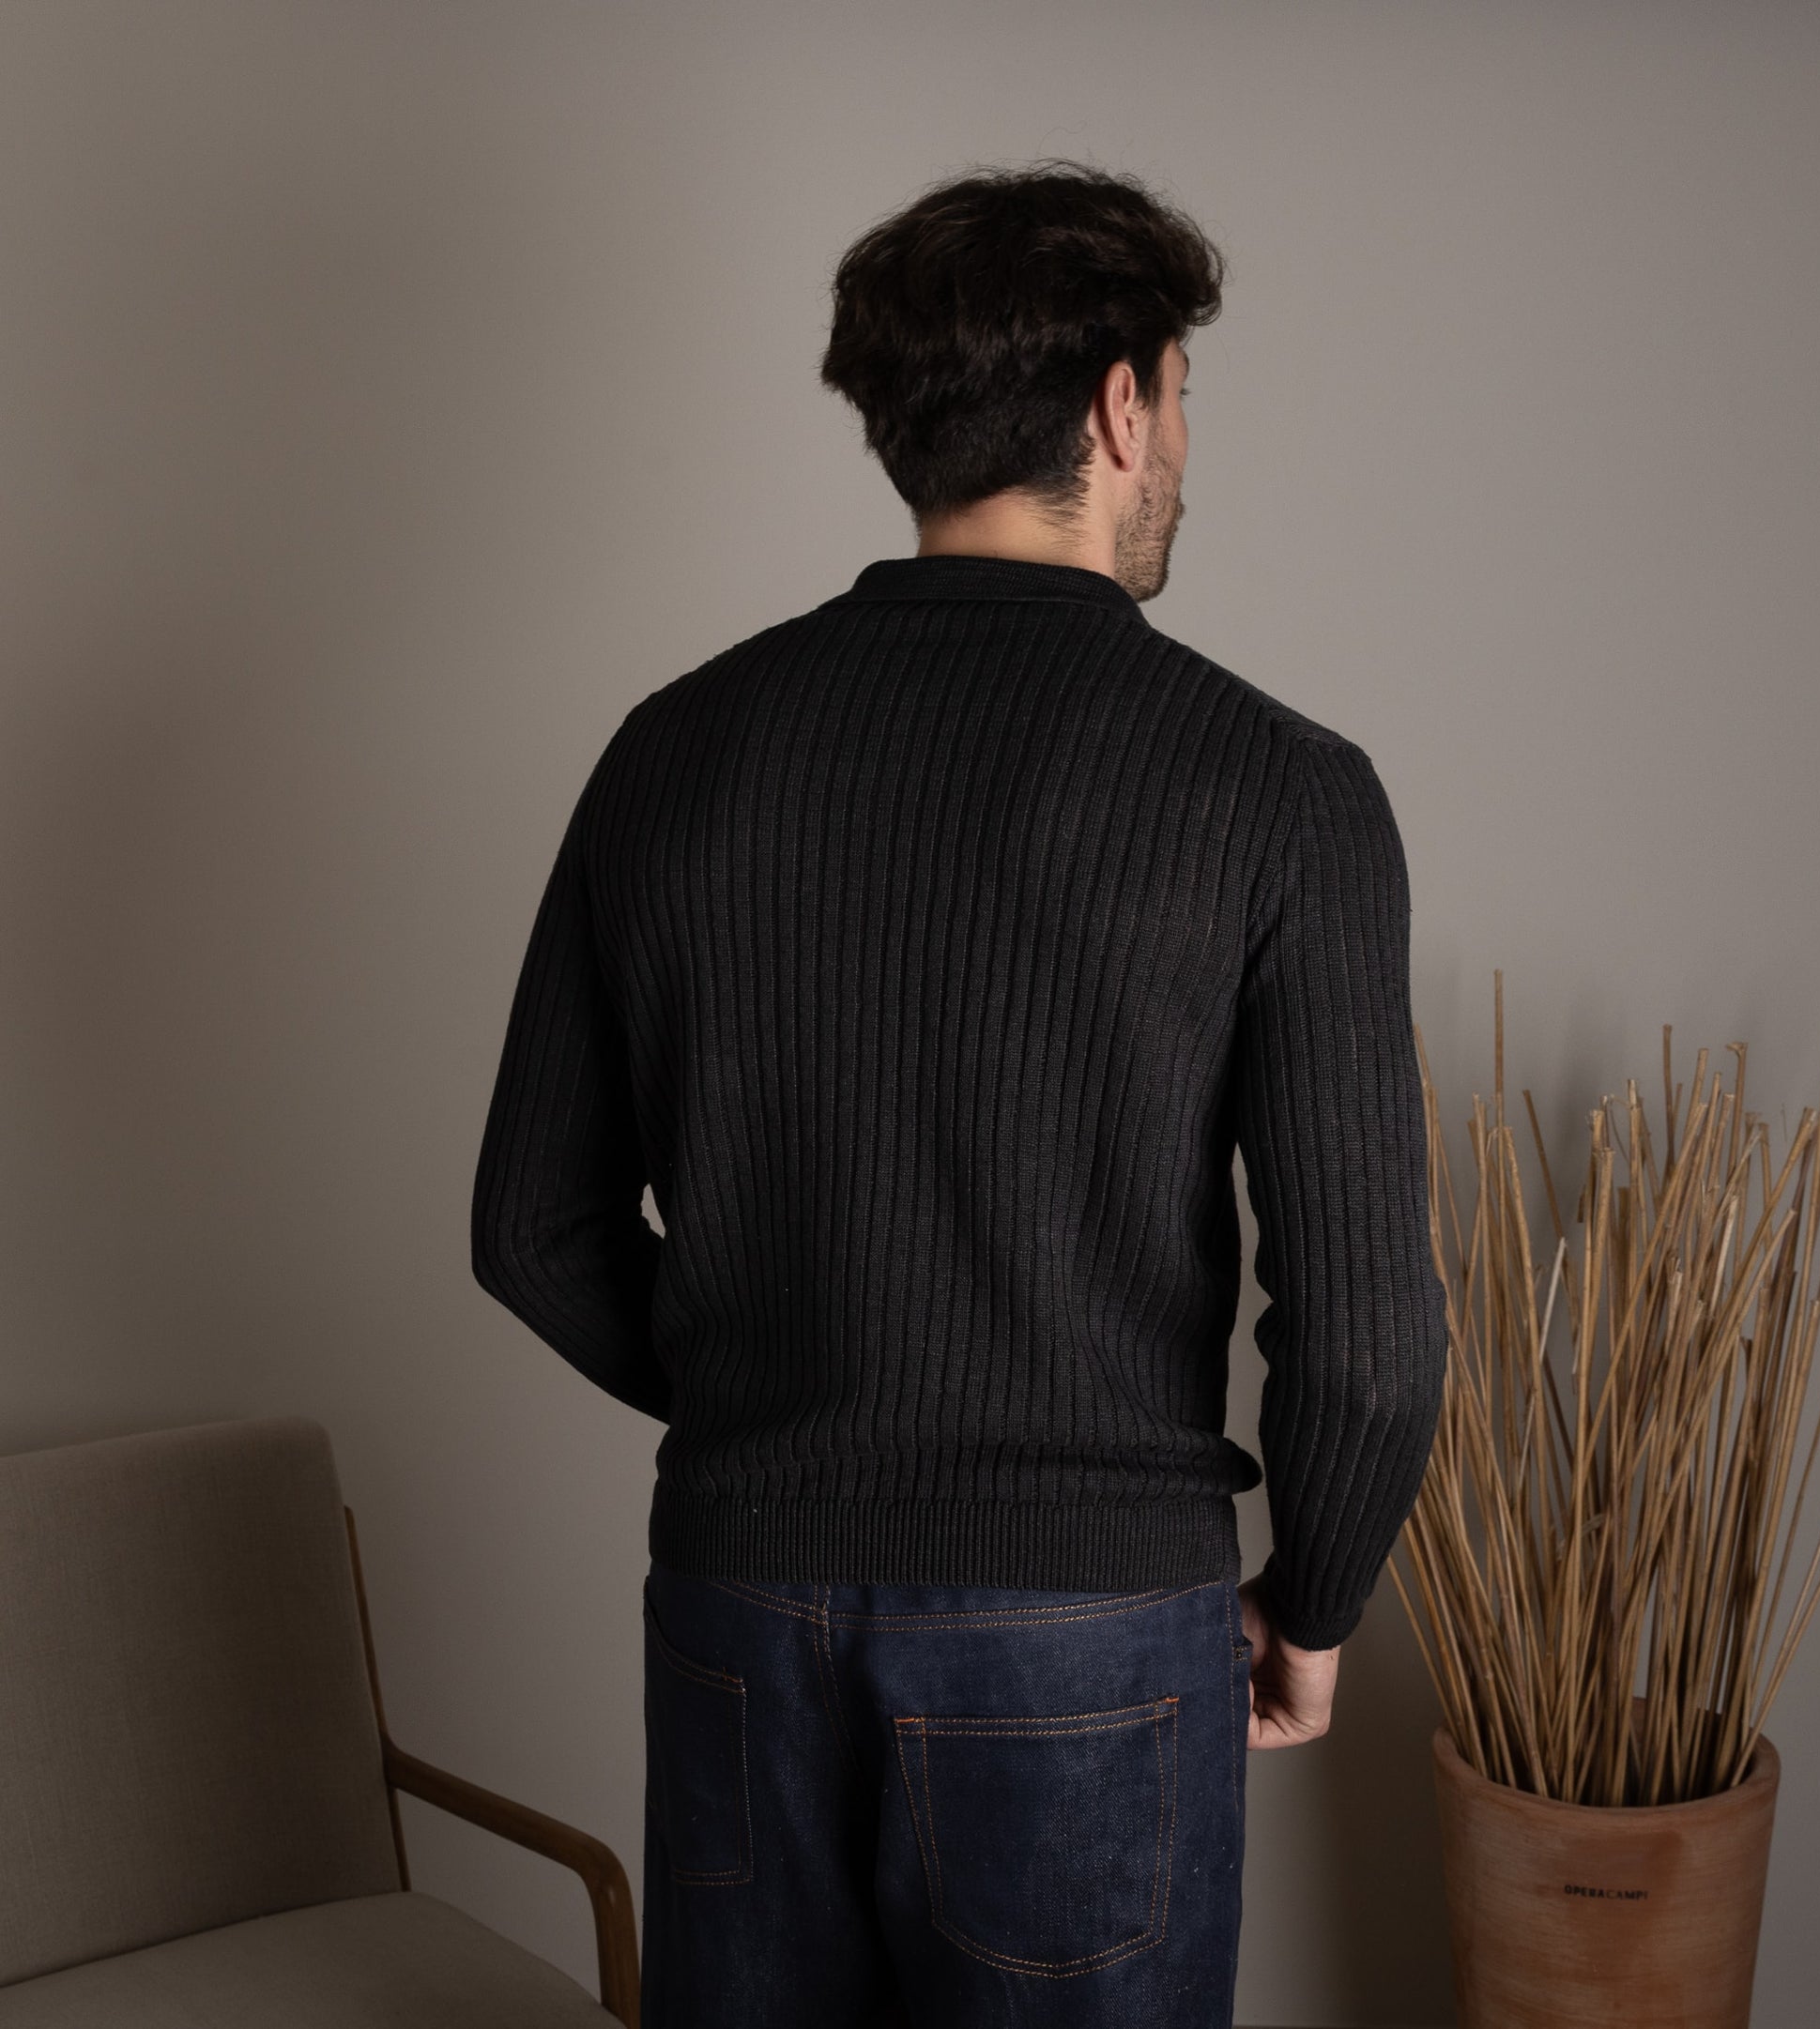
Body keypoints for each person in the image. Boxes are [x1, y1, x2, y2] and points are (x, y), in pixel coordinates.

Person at [472, 160, 1447, 2029]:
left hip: (743, 1599)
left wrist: (790, 1402)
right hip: (1091, 1634)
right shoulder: (1277, 786)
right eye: (1181, 399)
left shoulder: (672, 751)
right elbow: (1371, 1344)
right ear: (1118, 407)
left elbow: (530, 1227)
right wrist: (1314, 1607)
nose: (1182, 449)